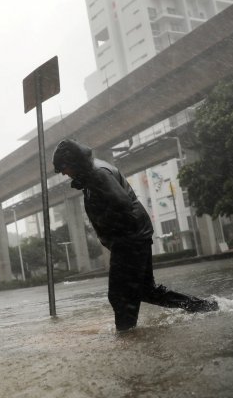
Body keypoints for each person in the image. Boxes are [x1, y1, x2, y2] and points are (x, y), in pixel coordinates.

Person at [52, 138, 218, 331]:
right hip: (135, 235)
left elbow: (121, 203)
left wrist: (115, 235)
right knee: (147, 291)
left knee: (119, 295)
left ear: (74, 162)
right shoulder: (92, 173)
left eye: (64, 167)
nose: (64, 173)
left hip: (129, 238)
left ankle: (126, 336)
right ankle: (204, 307)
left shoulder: (97, 174)